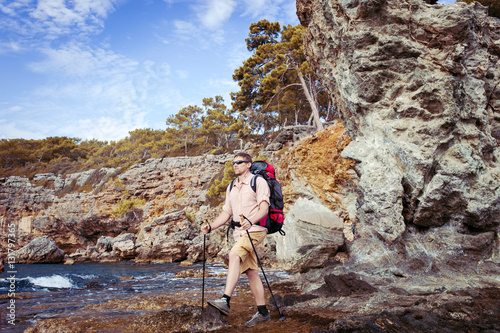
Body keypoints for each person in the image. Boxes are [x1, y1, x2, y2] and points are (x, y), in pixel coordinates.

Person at [201, 152, 271, 327]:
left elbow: (264, 208)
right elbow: (226, 213)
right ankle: (263, 312)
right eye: (233, 163)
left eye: (239, 162)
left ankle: (225, 300)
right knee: (251, 272)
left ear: (249, 164)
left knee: (234, 255)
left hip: (255, 229)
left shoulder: (258, 182)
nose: (235, 165)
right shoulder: (231, 186)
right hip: (239, 233)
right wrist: (211, 226)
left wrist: (251, 220)